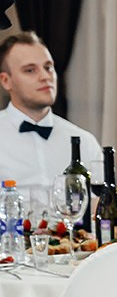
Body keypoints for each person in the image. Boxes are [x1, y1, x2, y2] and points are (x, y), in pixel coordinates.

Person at [0, 32, 102, 192]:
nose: (45, 76)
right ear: (6, 81)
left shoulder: (85, 142)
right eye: (30, 70)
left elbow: (100, 203)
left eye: (48, 67)